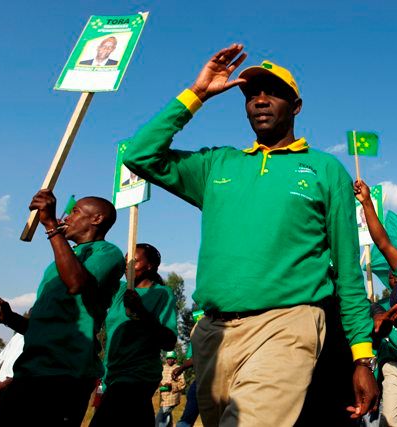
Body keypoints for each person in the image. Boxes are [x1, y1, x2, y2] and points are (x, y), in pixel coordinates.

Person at [122, 43, 377, 425]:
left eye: (273, 92)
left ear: (296, 106)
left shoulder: (324, 168)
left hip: (289, 324)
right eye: (251, 94)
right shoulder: (218, 164)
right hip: (212, 331)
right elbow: (138, 154)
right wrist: (198, 95)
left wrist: (362, 355)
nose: (260, 100)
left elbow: (347, 268)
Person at [0, 190, 124, 427]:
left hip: (66, 374)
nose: (66, 217)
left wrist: (50, 224)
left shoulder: (108, 253)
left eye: (75, 212)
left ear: (97, 219)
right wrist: (8, 318)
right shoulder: (56, 265)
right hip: (29, 371)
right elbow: (41, 328)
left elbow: (76, 283)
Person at [90, 243, 178, 427]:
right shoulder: (119, 290)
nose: (128, 266)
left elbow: (169, 341)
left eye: (135, 262)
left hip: (138, 374)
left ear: (150, 266)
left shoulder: (162, 293)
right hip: (112, 374)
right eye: (126, 261)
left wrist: (141, 311)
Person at [354, 179, 397, 427]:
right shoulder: (388, 299)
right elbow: (383, 242)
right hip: (395, 365)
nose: (394, 274)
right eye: (391, 272)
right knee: (390, 418)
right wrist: (366, 202)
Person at [0, 329, 25, 402]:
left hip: (15, 389)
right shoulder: (18, 335)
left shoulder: (42, 337)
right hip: (0, 389)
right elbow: (1, 357)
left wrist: (1, 386)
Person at [156, 351, 186, 427]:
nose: (169, 360)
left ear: (175, 360)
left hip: (172, 397)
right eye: (168, 358)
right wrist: (158, 384)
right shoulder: (163, 368)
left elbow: (182, 384)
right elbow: (159, 379)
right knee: (167, 416)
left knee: (160, 418)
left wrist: (171, 386)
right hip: (163, 397)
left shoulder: (178, 369)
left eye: (171, 358)